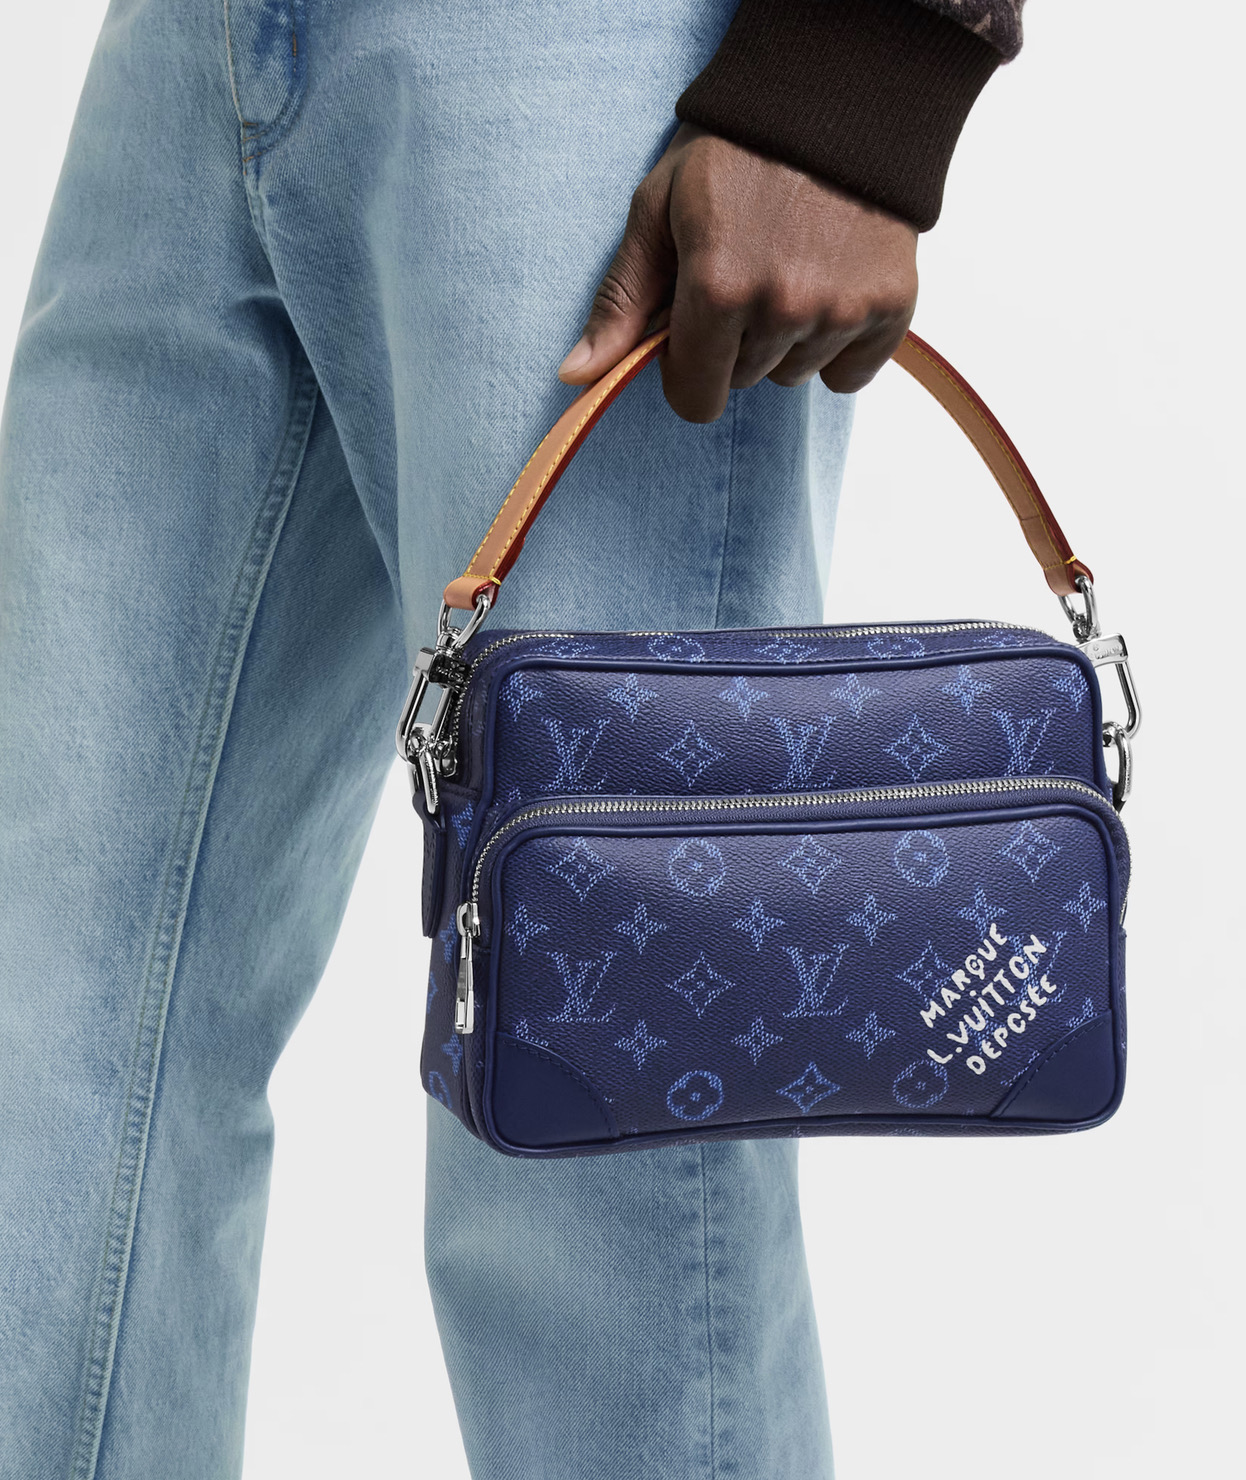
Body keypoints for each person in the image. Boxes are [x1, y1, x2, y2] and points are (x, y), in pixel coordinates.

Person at [0, 0, 1026, 1474]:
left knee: (603, 1110)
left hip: (589, 56)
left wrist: (862, 65)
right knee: (56, 1046)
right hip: (181, 50)